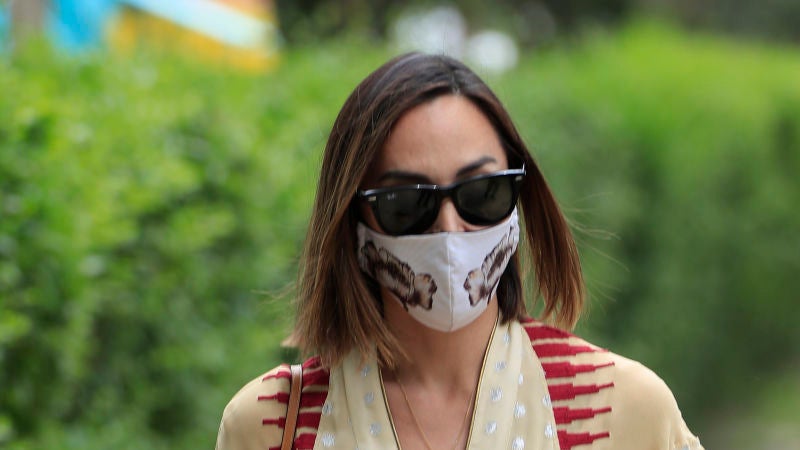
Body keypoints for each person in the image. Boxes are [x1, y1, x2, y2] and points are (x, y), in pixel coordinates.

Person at [215, 53, 704, 450]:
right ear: (353, 223)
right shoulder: (269, 425)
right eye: (406, 203)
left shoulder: (623, 412)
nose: (449, 229)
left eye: (482, 193)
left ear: (518, 196)